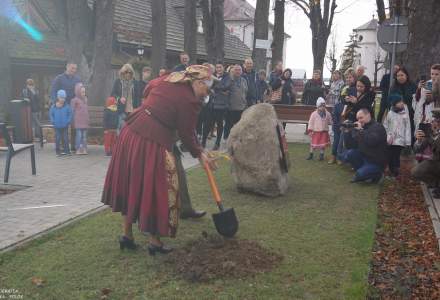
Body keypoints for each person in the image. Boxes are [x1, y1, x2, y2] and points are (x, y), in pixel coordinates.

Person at [101, 65, 216, 254]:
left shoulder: (170, 78)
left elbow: (148, 88)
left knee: (132, 185)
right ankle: (155, 243)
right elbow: (187, 134)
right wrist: (200, 154)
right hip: (150, 141)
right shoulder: (190, 101)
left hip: (131, 133)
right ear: (197, 82)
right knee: (156, 188)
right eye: (207, 89)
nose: (206, 94)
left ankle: (127, 236)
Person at [345, 109, 387, 183]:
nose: (359, 121)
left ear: (368, 115)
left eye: (361, 118)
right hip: (364, 158)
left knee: (360, 174)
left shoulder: (378, 127)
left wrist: (361, 130)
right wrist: (348, 132)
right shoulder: (361, 128)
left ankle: (378, 174)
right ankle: (364, 172)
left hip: (376, 162)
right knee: (350, 153)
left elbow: (372, 141)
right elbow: (350, 146)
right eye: (358, 119)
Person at [50, 62, 81, 151]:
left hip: (74, 105)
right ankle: (64, 145)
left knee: (74, 126)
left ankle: (74, 146)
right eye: (72, 68)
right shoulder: (59, 78)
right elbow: (53, 91)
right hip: (62, 106)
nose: (74, 70)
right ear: (67, 67)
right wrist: (56, 102)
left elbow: (80, 91)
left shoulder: (77, 79)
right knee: (64, 126)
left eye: (75, 68)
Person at [383, 94, 412, 177]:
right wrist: (386, 136)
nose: (401, 103)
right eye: (399, 102)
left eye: (402, 101)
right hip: (390, 140)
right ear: (394, 103)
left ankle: (395, 171)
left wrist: (408, 141)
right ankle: (391, 170)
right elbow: (386, 125)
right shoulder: (390, 113)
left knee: (396, 155)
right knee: (390, 155)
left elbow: (408, 127)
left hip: (400, 140)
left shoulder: (405, 114)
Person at [411, 116, 440, 197]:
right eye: (433, 121)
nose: (434, 123)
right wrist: (419, 140)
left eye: (436, 121)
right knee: (416, 172)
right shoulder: (431, 133)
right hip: (435, 162)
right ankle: (435, 183)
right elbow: (418, 149)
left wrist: (434, 137)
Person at [390, 67, 417, 144]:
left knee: (410, 134)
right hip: (398, 114)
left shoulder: (412, 85)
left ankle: (409, 149)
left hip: (410, 114)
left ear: (406, 75)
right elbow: (390, 100)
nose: (400, 77)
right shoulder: (394, 87)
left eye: (402, 75)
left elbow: (415, 99)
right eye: (398, 75)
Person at [335, 68, 358, 162]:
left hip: (353, 115)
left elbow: (353, 102)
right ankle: (341, 156)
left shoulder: (355, 88)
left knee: (349, 138)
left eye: (350, 77)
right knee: (344, 136)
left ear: (354, 78)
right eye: (347, 78)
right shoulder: (348, 88)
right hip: (347, 115)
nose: (348, 79)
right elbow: (345, 101)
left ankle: (344, 157)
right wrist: (345, 100)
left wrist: (349, 101)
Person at [111, 64, 142, 130]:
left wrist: (137, 108)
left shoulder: (136, 83)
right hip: (121, 110)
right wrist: (119, 99)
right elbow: (113, 94)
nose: (128, 74)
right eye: (126, 72)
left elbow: (138, 97)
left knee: (130, 130)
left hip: (132, 111)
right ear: (122, 72)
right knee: (120, 129)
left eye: (130, 72)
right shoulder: (118, 82)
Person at [209, 63, 232, 150]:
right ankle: (202, 141)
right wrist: (218, 88)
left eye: (220, 67)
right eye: (217, 67)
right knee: (208, 123)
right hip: (212, 103)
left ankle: (217, 142)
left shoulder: (227, 76)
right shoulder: (213, 75)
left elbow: (225, 86)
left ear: (224, 68)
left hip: (222, 105)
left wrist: (215, 86)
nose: (218, 69)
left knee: (219, 124)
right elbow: (208, 86)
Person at [414, 64, 440, 134]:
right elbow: (420, 100)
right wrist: (419, 89)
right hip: (428, 116)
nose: (434, 76)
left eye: (436, 74)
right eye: (432, 74)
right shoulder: (429, 84)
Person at [224, 64, 248, 140]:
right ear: (233, 71)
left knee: (239, 126)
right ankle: (226, 139)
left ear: (241, 71)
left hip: (241, 108)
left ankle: (237, 141)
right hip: (231, 108)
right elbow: (224, 90)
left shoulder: (244, 80)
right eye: (236, 70)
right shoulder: (229, 79)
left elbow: (246, 92)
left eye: (239, 70)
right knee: (228, 126)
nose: (237, 71)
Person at [49, 90, 72, 156]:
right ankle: (58, 151)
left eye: (64, 98)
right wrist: (53, 121)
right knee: (58, 139)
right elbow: (51, 114)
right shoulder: (54, 106)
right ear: (58, 98)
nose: (63, 99)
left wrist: (68, 121)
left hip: (65, 125)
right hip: (57, 126)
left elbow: (70, 114)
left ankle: (67, 150)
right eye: (61, 98)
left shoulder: (67, 106)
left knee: (65, 138)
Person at [70, 83, 89, 155]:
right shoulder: (74, 100)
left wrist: (88, 120)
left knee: (84, 137)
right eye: (82, 92)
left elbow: (86, 111)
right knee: (79, 135)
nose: (84, 93)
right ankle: (78, 149)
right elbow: (72, 111)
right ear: (78, 92)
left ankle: (84, 148)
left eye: (84, 92)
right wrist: (72, 120)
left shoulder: (85, 99)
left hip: (84, 121)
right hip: (78, 121)